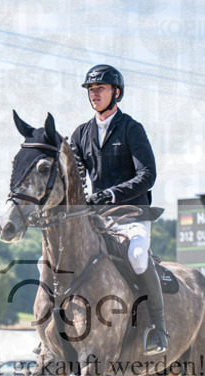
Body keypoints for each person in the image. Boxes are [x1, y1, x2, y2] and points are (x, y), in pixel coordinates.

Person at [71, 64, 167, 354]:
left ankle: (158, 329)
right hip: (97, 220)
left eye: (100, 88)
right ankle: (55, 330)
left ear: (117, 93)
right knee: (49, 261)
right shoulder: (81, 133)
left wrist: (112, 195)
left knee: (138, 257)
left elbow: (147, 175)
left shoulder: (131, 129)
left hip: (130, 216)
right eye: (91, 89)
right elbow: (75, 177)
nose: (94, 94)